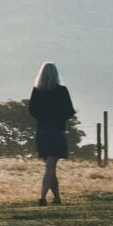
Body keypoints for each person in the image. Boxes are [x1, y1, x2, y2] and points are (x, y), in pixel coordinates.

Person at [26, 61, 77, 205]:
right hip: (57, 130)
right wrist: (59, 117)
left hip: (42, 131)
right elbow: (70, 111)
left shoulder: (37, 91)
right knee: (51, 166)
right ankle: (42, 197)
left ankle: (57, 197)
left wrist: (43, 117)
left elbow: (32, 111)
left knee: (49, 166)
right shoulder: (62, 90)